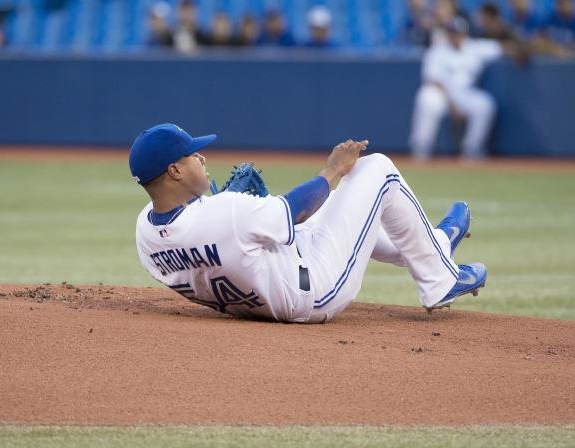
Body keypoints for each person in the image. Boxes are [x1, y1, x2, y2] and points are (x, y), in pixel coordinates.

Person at [130, 123, 487, 323]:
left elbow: (211, 236)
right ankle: (440, 279)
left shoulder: (145, 233)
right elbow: (295, 209)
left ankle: (434, 246)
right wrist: (334, 167)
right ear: (174, 170)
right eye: (192, 154)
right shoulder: (224, 212)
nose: (202, 156)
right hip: (313, 291)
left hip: (262, 290)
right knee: (377, 171)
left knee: (341, 208)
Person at [409, 16, 503, 160]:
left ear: (465, 33)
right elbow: (433, 80)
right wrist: (452, 105)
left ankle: (472, 149)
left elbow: (500, 48)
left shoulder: (474, 48)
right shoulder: (437, 50)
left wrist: (518, 49)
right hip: (442, 95)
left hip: (465, 95)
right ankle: (421, 148)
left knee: (485, 104)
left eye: (459, 33)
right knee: (426, 97)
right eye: (453, 32)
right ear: (448, 34)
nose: (456, 36)